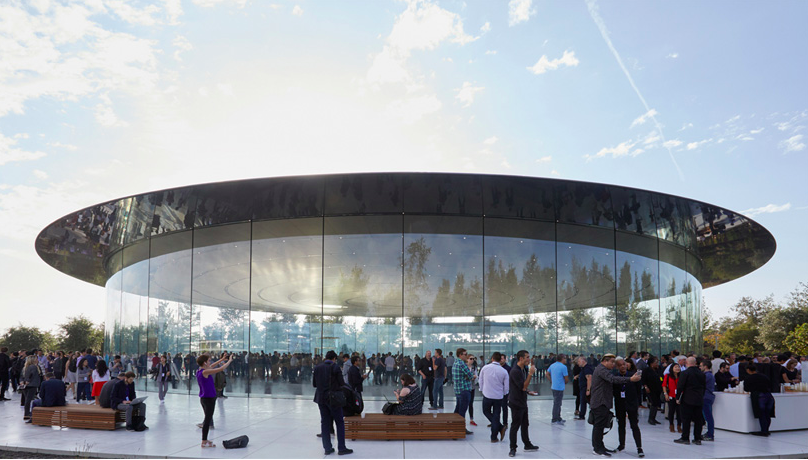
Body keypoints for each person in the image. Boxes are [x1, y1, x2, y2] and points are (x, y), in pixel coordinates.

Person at [590, 354, 642, 457]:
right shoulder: (602, 370)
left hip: (605, 403)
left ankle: (600, 446)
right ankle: (597, 448)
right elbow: (613, 379)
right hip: (600, 402)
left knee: (601, 426)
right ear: (606, 361)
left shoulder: (604, 370)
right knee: (598, 426)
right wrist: (630, 379)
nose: (613, 365)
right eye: (612, 362)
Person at [313, 350, 353, 456]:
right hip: (333, 399)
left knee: (325, 422)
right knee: (339, 422)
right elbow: (341, 383)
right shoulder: (335, 367)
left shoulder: (317, 367)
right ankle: (341, 448)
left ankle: (327, 448)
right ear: (334, 358)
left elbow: (314, 384)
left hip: (320, 398)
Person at [507, 350, 539, 457]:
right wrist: (530, 374)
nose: (528, 359)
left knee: (525, 424)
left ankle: (527, 444)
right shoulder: (515, 371)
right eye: (527, 357)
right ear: (521, 358)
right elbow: (522, 386)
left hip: (522, 401)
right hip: (516, 402)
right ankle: (512, 448)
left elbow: (522, 387)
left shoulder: (522, 370)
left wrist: (529, 391)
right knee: (515, 425)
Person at [197, 353, 233, 447]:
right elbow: (220, 369)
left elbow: (213, 366)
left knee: (207, 419)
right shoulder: (205, 372)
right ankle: (204, 440)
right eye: (208, 361)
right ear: (205, 362)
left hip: (205, 398)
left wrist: (222, 359)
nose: (210, 362)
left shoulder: (200, 370)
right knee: (207, 420)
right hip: (209, 399)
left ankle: (205, 439)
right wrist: (229, 361)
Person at [613, 358, 643, 457]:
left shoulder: (633, 376)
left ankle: (639, 447)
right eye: (620, 365)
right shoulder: (615, 377)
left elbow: (639, 390)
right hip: (620, 403)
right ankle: (621, 444)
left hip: (631, 403)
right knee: (621, 425)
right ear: (617, 366)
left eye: (624, 364)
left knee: (634, 425)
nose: (623, 366)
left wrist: (638, 403)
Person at [674, 357, 705, 445]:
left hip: (687, 399)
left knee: (686, 419)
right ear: (695, 363)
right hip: (698, 399)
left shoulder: (685, 373)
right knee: (698, 419)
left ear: (687, 363)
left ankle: (685, 437)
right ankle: (697, 438)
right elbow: (704, 387)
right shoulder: (701, 374)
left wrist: (677, 398)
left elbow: (680, 386)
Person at [478, 352, 508, 443]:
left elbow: (480, 380)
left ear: (492, 359)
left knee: (486, 411)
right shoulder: (504, 371)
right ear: (500, 360)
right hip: (498, 396)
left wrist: (482, 390)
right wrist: (504, 393)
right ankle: (494, 436)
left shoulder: (485, 368)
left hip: (487, 395)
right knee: (496, 415)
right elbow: (506, 386)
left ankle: (498, 430)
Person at [744, 364, 775, 436]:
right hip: (768, 395)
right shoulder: (764, 376)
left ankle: (763, 431)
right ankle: (766, 430)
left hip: (759, 396)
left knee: (762, 414)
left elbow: (746, 389)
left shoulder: (748, 378)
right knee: (767, 414)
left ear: (748, 370)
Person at [451, 348, 475, 434]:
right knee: (462, 411)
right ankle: (460, 429)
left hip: (458, 390)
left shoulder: (455, 363)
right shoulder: (462, 364)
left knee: (458, 410)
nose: (466, 355)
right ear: (460, 355)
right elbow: (470, 375)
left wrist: (467, 377)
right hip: (464, 390)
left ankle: (454, 426)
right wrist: (472, 376)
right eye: (465, 354)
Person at [547, 354, 568, 424]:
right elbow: (566, 378)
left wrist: (551, 380)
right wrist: (565, 382)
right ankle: (555, 418)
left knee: (557, 403)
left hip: (554, 387)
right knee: (557, 403)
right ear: (562, 358)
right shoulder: (563, 367)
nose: (566, 360)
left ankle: (558, 417)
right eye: (565, 358)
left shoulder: (552, 365)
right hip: (560, 387)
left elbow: (547, 374)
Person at [642, 356, 663, 425]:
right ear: (651, 363)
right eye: (655, 362)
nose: (657, 364)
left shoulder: (658, 369)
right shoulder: (646, 370)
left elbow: (661, 377)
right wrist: (645, 386)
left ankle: (654, 418)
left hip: (658, 389)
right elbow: (643, 380)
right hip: (650, 389)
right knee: (653, 403)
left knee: (656, 403)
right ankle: (650, 418)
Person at [699, 359, 716, 441]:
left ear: (705, 366)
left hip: (706, 397)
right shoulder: (709, 375)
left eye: (701, 366)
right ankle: (709, 433)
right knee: (708, 416)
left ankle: (710, 434)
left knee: (708, 416)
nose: (700, 367)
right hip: (707, 397)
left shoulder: (707, 376)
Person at [662, 363, 682, 433]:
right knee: (671, 411)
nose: (677, 368)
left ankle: (679, 426)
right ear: (672, 368)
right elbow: (664, 385)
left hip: (679, 396)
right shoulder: (667, 376)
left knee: (679, 412)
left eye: (678, 367)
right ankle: (671, 425)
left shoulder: (682, 376)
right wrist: (665, 394)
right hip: (671, 395)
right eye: (675, 367)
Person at [21, 356, 42, 420]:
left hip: (25, 385)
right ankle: (27, 413)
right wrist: (28, 381)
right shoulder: (34, 367)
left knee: (27, 399)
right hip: (32, 384)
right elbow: (31, 374)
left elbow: (22, 375)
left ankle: (26, 413)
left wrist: (22, 381)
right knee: (28, 399)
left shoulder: (25, 367)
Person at [575, 355, 593, 421]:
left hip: (585, 387)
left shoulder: (587, 368)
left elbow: (589, 378)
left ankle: (582, 415)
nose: (578, 363)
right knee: (583, 401)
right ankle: (582, 415)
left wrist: (588, 389)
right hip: (583, 387)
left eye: (579, 361)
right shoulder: (583, 368)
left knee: (584, 401)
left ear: (583, 361)